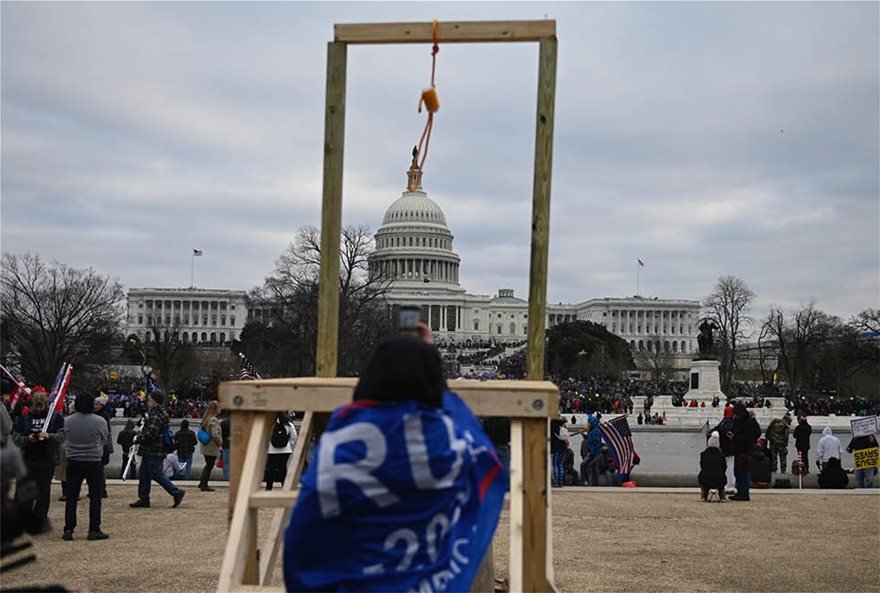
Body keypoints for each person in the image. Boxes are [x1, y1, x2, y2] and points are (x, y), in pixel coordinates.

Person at [283, 334, 504, 592]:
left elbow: (305, 530)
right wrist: (432, 375)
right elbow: (485, 460)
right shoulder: (451, 440)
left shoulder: (341, 438)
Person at [61, 393, 109, 540]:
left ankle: (69, 528)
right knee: (95, 496)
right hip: (93, 460)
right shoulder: (100, 421)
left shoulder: (67, 421)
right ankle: (94, 528)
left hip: (73, 460)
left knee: (71, 497)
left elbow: (64, 438)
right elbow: (104, 438)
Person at [15, 391, 64, 532]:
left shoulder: (56, 418)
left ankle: (39, 521)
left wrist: (49, 436)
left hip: (46, 460)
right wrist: (26, 439)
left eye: (40, 406)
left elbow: (62, 435)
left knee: (43, 494)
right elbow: (15, 436)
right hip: (27, 459)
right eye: (36, 406)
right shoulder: (25, 418)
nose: (38, 409)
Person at [129, 391, 185, 509]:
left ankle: (175, 492)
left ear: (154, 400)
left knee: (155, 473)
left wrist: (138, 438)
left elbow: (151, 433)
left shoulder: (155, 414)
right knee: (144, 474)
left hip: (153, 449)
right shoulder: (158, 413)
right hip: (155, 448)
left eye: (150, 399)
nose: (148, 400)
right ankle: (143, 498)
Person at [729, 402, 761, 501]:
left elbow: (748, 437)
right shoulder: (739, 421)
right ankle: (740, 492)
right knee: (738, 472)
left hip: (745, 450)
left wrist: (735, 437)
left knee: (743, 473)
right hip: (739, 450)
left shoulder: (748, 422)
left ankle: (744, 493)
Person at [265, 412, 297, 490]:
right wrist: (289, 445)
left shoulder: (270, 423)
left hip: (272, 450)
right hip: (285, 450)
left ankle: (269, 488)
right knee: (283, 469)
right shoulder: (289, 424)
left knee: (271, 469)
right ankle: (284, 487)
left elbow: (266, 436)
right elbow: (294, 436)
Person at [710, 406, 737, 495]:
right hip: (729, 449)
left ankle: (724, 485)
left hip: (722, 448)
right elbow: (730, 433)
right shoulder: (729, 423)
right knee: (730, 467)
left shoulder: (722, 422)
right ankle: (730, 486)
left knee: (724, 467)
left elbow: (714, 430)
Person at [198, 401, 222, 492]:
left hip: (206, 446)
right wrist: (220, 442)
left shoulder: (206, 419)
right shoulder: (213, 420)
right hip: (211, 447)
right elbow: (215, 434)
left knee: (208, 465)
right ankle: (204, 484)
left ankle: (202, 483)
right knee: (209, 465)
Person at [94, 396, 114, 498]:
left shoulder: (103, 416)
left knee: (100, 468)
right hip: (101, 443)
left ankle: (101, 489)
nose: (94, 406)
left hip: (102, 444)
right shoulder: (104, 415)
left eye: (96, 404)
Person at [698, 431, 727, 501]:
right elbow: (724, 467)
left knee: (702, 475)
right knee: (721, 476)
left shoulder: (703, 454)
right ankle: (722, 496)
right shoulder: (722, 455)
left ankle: (704, 495)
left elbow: (702, 466)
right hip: (719, 480)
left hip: (706, 479)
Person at [550, 418, 567, 487]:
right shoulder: (563, 425)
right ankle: (561, 481)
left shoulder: (552, 426)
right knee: (560, 465)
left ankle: (555, 481)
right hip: (563, 448)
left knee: (554, 465)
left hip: (555, 447)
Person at [219, 410, 231, 480]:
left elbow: (220, 434)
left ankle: (226, 478)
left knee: (226, 463)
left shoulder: (223, 423)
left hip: (225, 444)